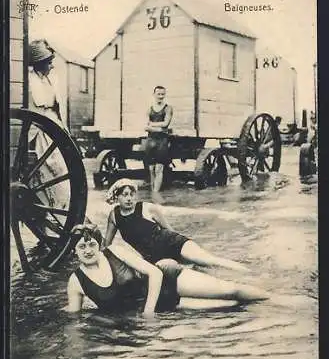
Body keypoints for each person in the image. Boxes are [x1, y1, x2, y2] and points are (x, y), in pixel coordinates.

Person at [66, 224, 269, 316]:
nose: (88, 250)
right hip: (165, 305)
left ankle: (275, 299)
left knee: (229, 291)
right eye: (81, 247)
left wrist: (148, 313)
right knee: (231, 306)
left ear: (99, 245)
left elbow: (155, 273)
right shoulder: (76, 282)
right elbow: (74, 317)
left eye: (91, 244)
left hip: (166, 282)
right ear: (74, 252)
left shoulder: (114, 252)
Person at [103, 178, 249, 273]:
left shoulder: (147, 208)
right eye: (125, 195)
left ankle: (246, 272)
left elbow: (169, 230)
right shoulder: (114, 216)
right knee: (196, 271)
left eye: (132, 194)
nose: (129, 199)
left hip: (173, 243)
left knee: (208, 261)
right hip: (153, 258)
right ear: (117, 197)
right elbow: (106, 246)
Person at [28, 39, 70, 221]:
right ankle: (53, 219)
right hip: (41, 132)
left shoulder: (49, 79)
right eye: (49, 62)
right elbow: (37, 111)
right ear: (39, 64)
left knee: (62, 172)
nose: (52, 66)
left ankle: (62, 215)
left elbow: (57, 108)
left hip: (54, 129)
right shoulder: (31, 81)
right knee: (50, 172)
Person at [144, 86, 173, 195]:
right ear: (154, 94)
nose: (160, 96)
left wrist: (152, 125)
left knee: (159, 169)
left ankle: (156, 194)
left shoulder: (168, 108)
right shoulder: (149, 108)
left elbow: (166, 124)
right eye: (158, 94)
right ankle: (153, 193)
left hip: (162, 141)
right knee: (151, 169)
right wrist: (158, 128)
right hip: (151, 140)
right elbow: (146, 126)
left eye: (163, 94)